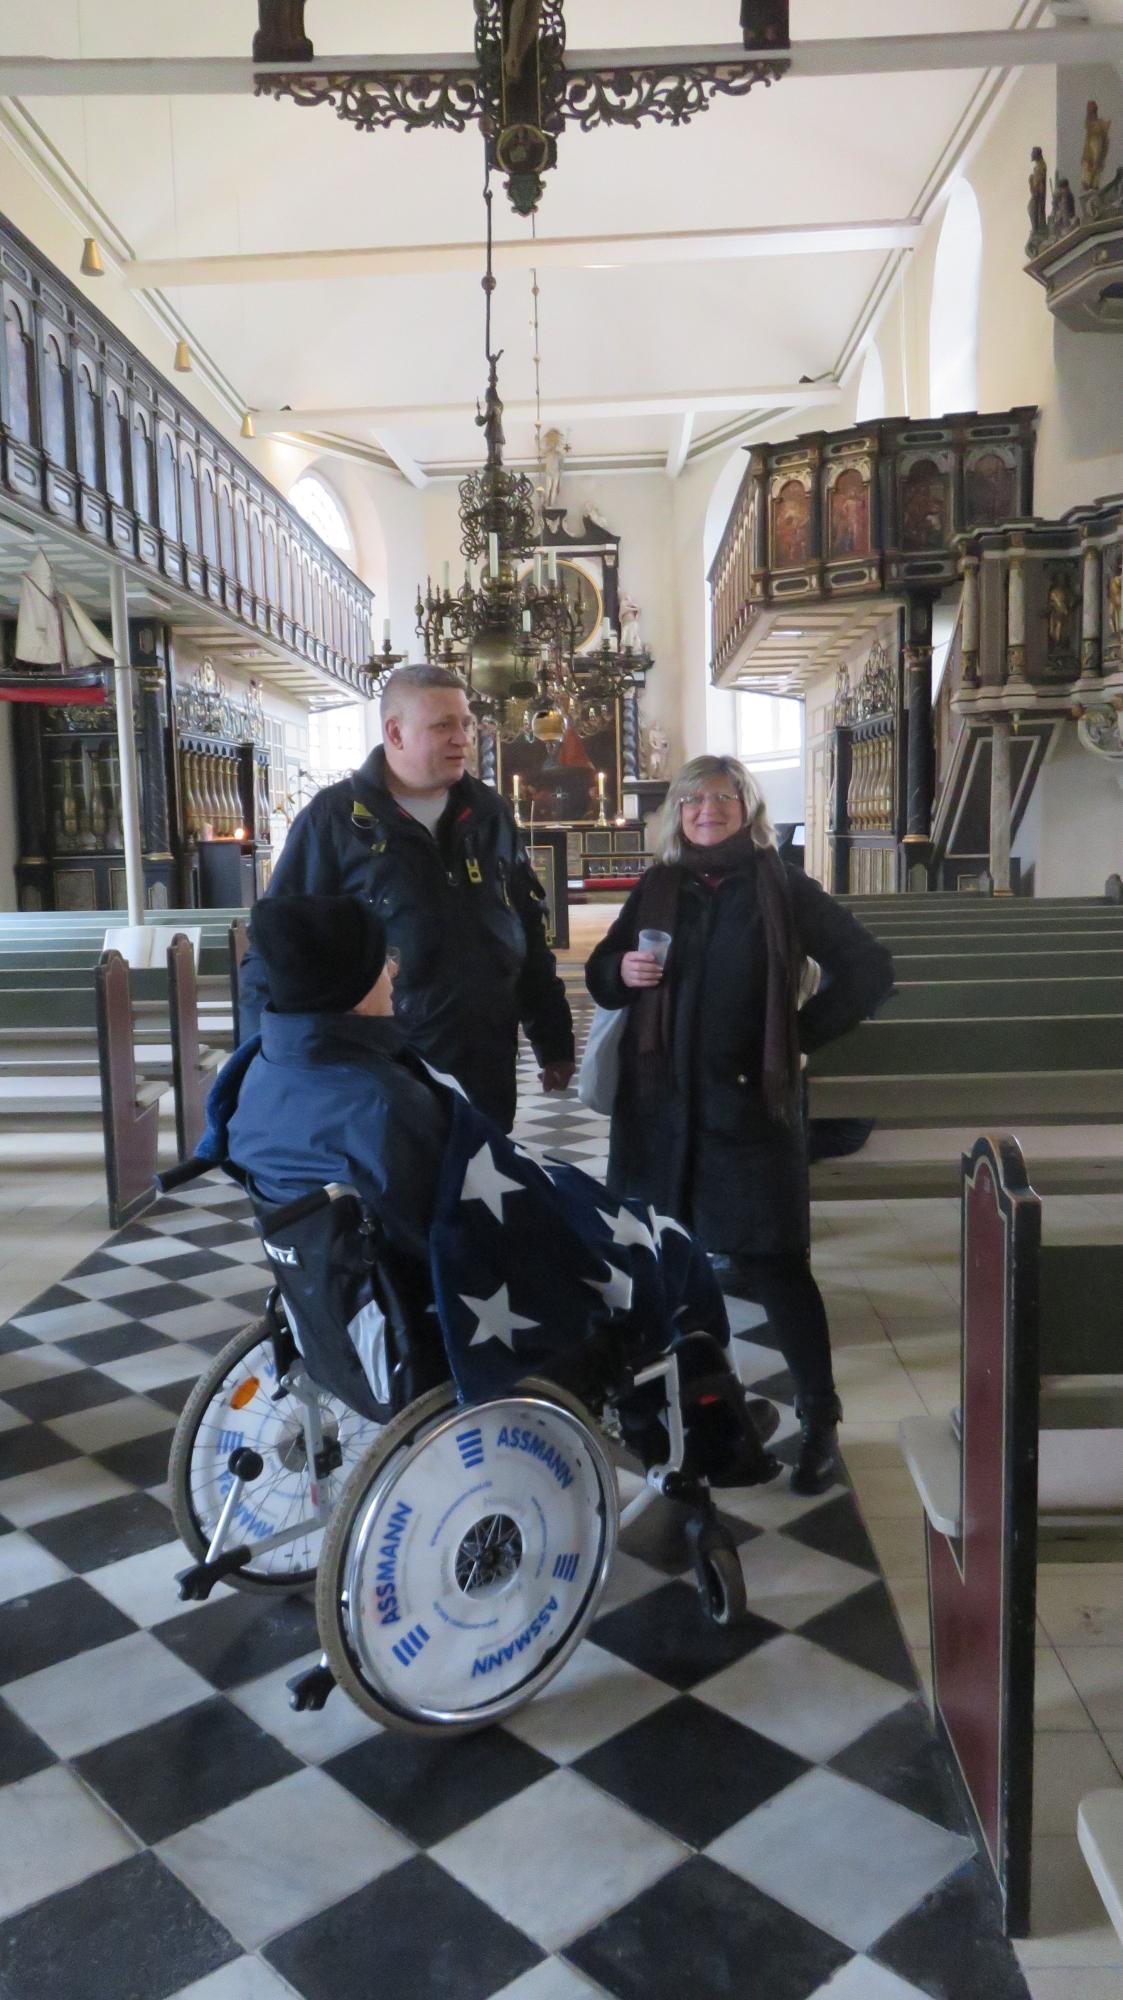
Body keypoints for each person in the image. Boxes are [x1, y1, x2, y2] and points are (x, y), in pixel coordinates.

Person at [218, 892, 778, 1485]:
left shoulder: (259, 1071)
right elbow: (482, 1224)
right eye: (382, 961)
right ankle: (695, 1437)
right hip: (435, 1307)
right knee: (666, 1248)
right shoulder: (380, 1104)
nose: (394, 971)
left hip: (335, 1299)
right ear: (353, 989)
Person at [585, 754, 895, 1495]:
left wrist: (795, 1037)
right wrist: (620, 972)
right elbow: (601, 972)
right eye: (693, 799)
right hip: (659, 1110)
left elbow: (868, 970)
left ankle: (818, 1422)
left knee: (777, 1265)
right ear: (677, 811)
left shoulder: (781, 886)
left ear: (747, 807)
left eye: (723, 797)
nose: (707, 810)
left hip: (748, 1111)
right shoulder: (659, 886)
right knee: (654, 1265)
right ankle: (673, 1418)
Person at [239, 663, 575, 1131]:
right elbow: (274, 953)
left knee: (481, 1173)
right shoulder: (333, 819)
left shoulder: (489, 813)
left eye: (466, 724)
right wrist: (261, 1068)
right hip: (384, 1064)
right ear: (395, 732)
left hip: (486, 1058)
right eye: (443, 726)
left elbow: (526, 927)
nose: (462, 739)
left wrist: (552, 1037)